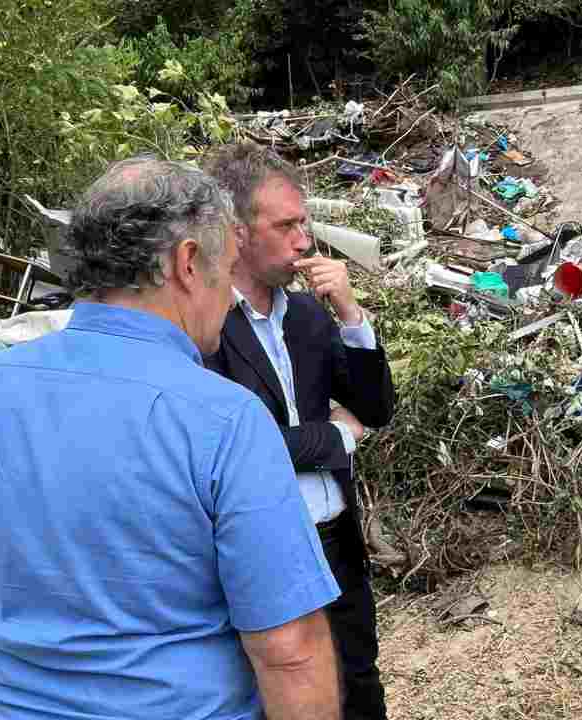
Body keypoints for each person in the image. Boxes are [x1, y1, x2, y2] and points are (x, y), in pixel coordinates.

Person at [0, 157, 343, 720]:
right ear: (186, 263)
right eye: (226, 270)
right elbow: (290, 654)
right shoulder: (222, 419)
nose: (230, 297)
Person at [203, 143, 396, 720]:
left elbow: (376, 408)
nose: (303, 241)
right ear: (236, 233)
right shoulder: (208, 325)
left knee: (359, 684)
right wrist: (335, 439)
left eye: (304, 224)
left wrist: (353, 316)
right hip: (267, 542)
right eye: (286, 225)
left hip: (336, 539)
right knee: (284, 697)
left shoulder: (309, 314)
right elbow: (234, 446)